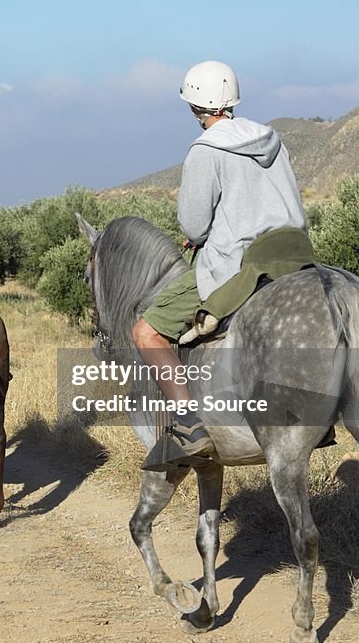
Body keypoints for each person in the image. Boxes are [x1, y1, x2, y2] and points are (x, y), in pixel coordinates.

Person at [131, 61, 307, 468]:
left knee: (145, 332)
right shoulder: (272, 138)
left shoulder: (206, 149)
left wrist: (199, 236)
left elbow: (194, 223)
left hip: (241, 264)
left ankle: (189, 427)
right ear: (233, 99)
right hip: (296, 255)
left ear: (195, 107)